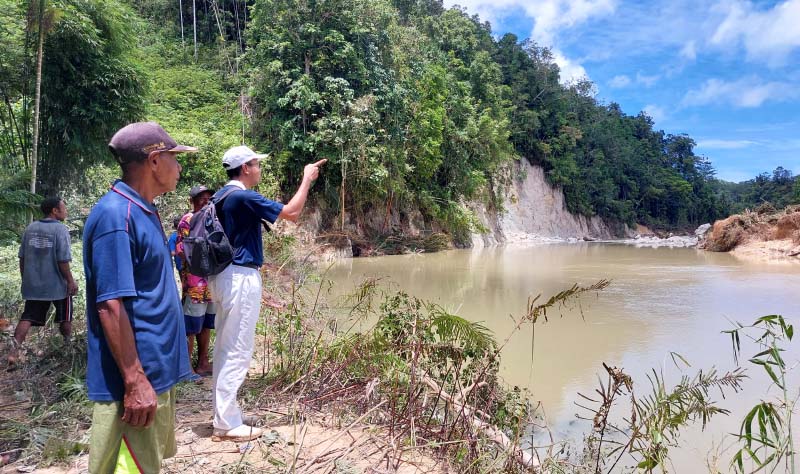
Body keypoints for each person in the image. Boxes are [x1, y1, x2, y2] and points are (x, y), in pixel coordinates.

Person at [83, 121, 196, 473]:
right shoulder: (117, 216)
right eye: (175, 158)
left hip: (154, 373)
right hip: (133, 384)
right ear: (154, 160)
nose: (179, 167)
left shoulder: (144, 210)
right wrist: (134, 381)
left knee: (145, 464)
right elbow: (110, 304)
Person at [208, 145, 325, 442]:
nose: (260, 169)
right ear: (245, 167)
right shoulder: (243, 196)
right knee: (237, 349)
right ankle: (227, 423)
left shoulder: (220, 195)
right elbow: (293, 213)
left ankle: (225, 414)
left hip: (222, 277)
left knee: (224, 346)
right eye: (257, 164)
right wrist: (307, 179)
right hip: (240, 277)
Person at [7, 196, 77, 367]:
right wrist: (70, 281)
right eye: (64, 207)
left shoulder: (30, 228)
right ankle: (68, 348)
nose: (66, 211)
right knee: (65, 316)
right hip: (57, 285)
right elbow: (62, 260)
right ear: (55, 210)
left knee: (28, 317)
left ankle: (14, 353)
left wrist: (27, 279)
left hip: (35, 284)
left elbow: (22, 258)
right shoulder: (60, 230)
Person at [176, 185, 216, 377]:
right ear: (192, 200)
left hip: (211, 282)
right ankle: (186, 368)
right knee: (191, 326)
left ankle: (202, 363)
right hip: (195, 283)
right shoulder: (188, 220)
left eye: (209, 197)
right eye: (201, 198)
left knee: (207, 323)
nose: (206, 201)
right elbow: (182, 250)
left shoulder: (214, 220)